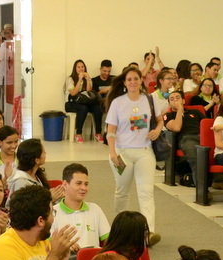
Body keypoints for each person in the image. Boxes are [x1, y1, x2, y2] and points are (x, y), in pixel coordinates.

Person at [106, 67, 163, 245]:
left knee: (146, 192)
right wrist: (113, 153)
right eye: (129, 79)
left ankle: (149, 232)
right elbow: (110, 131)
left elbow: (160, 120)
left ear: (141, 81)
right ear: (124, 82)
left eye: (136, 79)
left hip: (144, 152)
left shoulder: (150, 100)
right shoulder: (117, 103)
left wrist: (157, 130)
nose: (133, 82)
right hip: (122, 153)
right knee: (122, 192)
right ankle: (119, 230)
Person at [163, 90, 204, 185]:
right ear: (169, 103)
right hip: (187, 139)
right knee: (196, 160)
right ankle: (202, 190)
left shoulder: (195, 112)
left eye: (178, 98)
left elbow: (207, 126)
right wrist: (179, 110)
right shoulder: (168, 115)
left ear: (183, 101)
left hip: (201, 137)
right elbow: (176, 128)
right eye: (172, 99)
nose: (175, 100)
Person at [8, 139, 64, 204]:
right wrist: (49, 199)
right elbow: (26, 209)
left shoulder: (36, 175)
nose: (46, 153)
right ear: (37, 160)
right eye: (43, 152)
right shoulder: (21, 182)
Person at [65, 60, 103, 143]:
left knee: (98, 108)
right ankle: (78, 134)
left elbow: (89, 92)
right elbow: (74, 93)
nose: (81, 69)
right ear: (75, 68)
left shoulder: (87, 78)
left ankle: (98, 133)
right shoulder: (70, 79)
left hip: (84, 102)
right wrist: (79, 80)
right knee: (83, 108)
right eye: (78, 67)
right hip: (71, 103)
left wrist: (88, 80)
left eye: (82, 67)